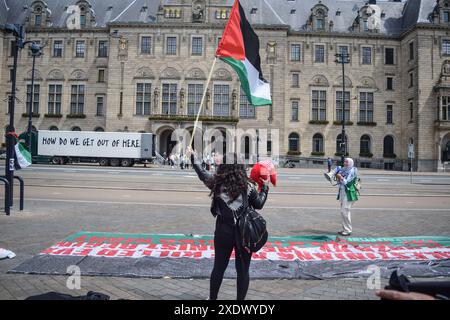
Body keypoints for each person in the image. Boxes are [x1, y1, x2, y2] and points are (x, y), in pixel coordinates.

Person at [186, 146, 269, 300]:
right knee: (243, 271)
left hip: (223, 231)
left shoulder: (216, 183)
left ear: (223, 166)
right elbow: (258, 204)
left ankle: (212, 299)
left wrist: (193, 157)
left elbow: (202, 174)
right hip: (244, 232)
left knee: (218, 268)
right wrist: (264, 188)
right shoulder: (248, 186)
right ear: (240, 167)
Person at [335, 158, 359, 236]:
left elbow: (347, 182)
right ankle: (345, 229)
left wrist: (340, 177)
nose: (345, 163)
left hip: (349, 193)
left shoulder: (353, 171)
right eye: (344, 161)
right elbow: (339, 182)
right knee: (343, 212)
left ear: (351, 163)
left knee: (345, 211)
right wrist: (337, 176)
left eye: (347, 162)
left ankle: (348, 230)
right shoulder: (343, 169)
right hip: (343, 192)